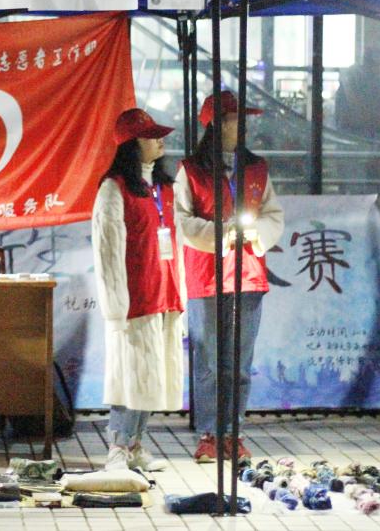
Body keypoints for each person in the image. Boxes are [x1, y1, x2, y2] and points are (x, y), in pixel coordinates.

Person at [175, 91, 284, 464]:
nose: (242, 126)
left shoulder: (256, 168)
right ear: (216, 125)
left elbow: (273, 214)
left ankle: (233, 433)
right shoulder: (191, 170)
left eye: (242, 119)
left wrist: (254, 233)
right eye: (235, 119)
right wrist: (221, 233)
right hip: (206, 275)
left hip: (247, 274)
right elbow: (182, 220)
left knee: (239, 363)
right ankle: (209, 434)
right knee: (208, 361)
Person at [92, 108, 183, 472]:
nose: (160, 141)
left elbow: (175, 243)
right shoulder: (113, 189)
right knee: (129, 375)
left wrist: (180, 291)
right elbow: (108, 251)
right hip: (134, 299)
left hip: (165, 293)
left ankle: (135, 445)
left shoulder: (163, 188)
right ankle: (116, 447)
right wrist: (115, 307)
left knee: (152, 376)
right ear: (131, 144)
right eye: (151, 136)